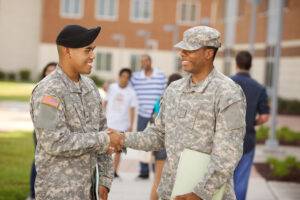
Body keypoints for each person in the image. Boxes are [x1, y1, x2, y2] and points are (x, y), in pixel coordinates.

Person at [112, 26, 247, 200]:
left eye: (189, 50)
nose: (182, 53)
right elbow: (158, 135)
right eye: (182, 49)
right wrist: (122, 138)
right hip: (171, 192)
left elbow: (228, 154)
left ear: (208, 54)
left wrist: (200, 193)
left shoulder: (228, 93)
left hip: (207, 195)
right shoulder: (174, 89)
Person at [30, 24, 121, 200]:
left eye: (93, 50)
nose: (93, 56)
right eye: (87, 50)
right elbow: (53, 141)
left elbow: (103, 131)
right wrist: (104, 139)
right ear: (67, 51)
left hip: (89, 191)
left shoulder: (90, 87)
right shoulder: (48, 91)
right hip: (58, 193)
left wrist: (105, 179)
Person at [232, 51, 270, 200]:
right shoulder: (259, 88)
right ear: (251, 65)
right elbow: (264, 117)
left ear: (236, 63)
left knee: (223, 180)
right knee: (241, 181)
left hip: (226, 140)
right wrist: (252, 122)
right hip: (247, 140)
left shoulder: (227, 83)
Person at [130, 54, 167, 179]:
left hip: (157, 114)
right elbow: (129, 91)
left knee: (156, 142)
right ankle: (144, 171)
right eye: (142, 61)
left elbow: (165, 93)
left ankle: (155, 169)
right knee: (142, 142)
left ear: (150, 62)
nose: (144, 63)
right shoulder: (136, 77)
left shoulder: (160, 75)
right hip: (142, 114)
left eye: (146, 61)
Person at [27, 62, 57, 200]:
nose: (51, 73)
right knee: (39, 159)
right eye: (48, 70)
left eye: (53, 70)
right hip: (43, 130)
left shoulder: (58, 87)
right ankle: (33, 194)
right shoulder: (43, 88)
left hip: (55, 130)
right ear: (44, 72)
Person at [150, 73, 182, 200]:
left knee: (157, 182)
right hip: (176, 147)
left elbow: (152, 121)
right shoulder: (183, 100)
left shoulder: (160, 100)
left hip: (161, 146)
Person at [104, 68, 137, 178]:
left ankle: (114, 171)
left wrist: (131, 125)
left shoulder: (131, 92)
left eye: (127, 77)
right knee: (106, 147)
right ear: (119, 76)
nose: (124, 79)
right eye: (123, 76)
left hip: (122, 124)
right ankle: (104, 170)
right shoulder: (112, 88)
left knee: (119, 149)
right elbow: (105, 102)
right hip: (110, 122)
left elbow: (132, 109)